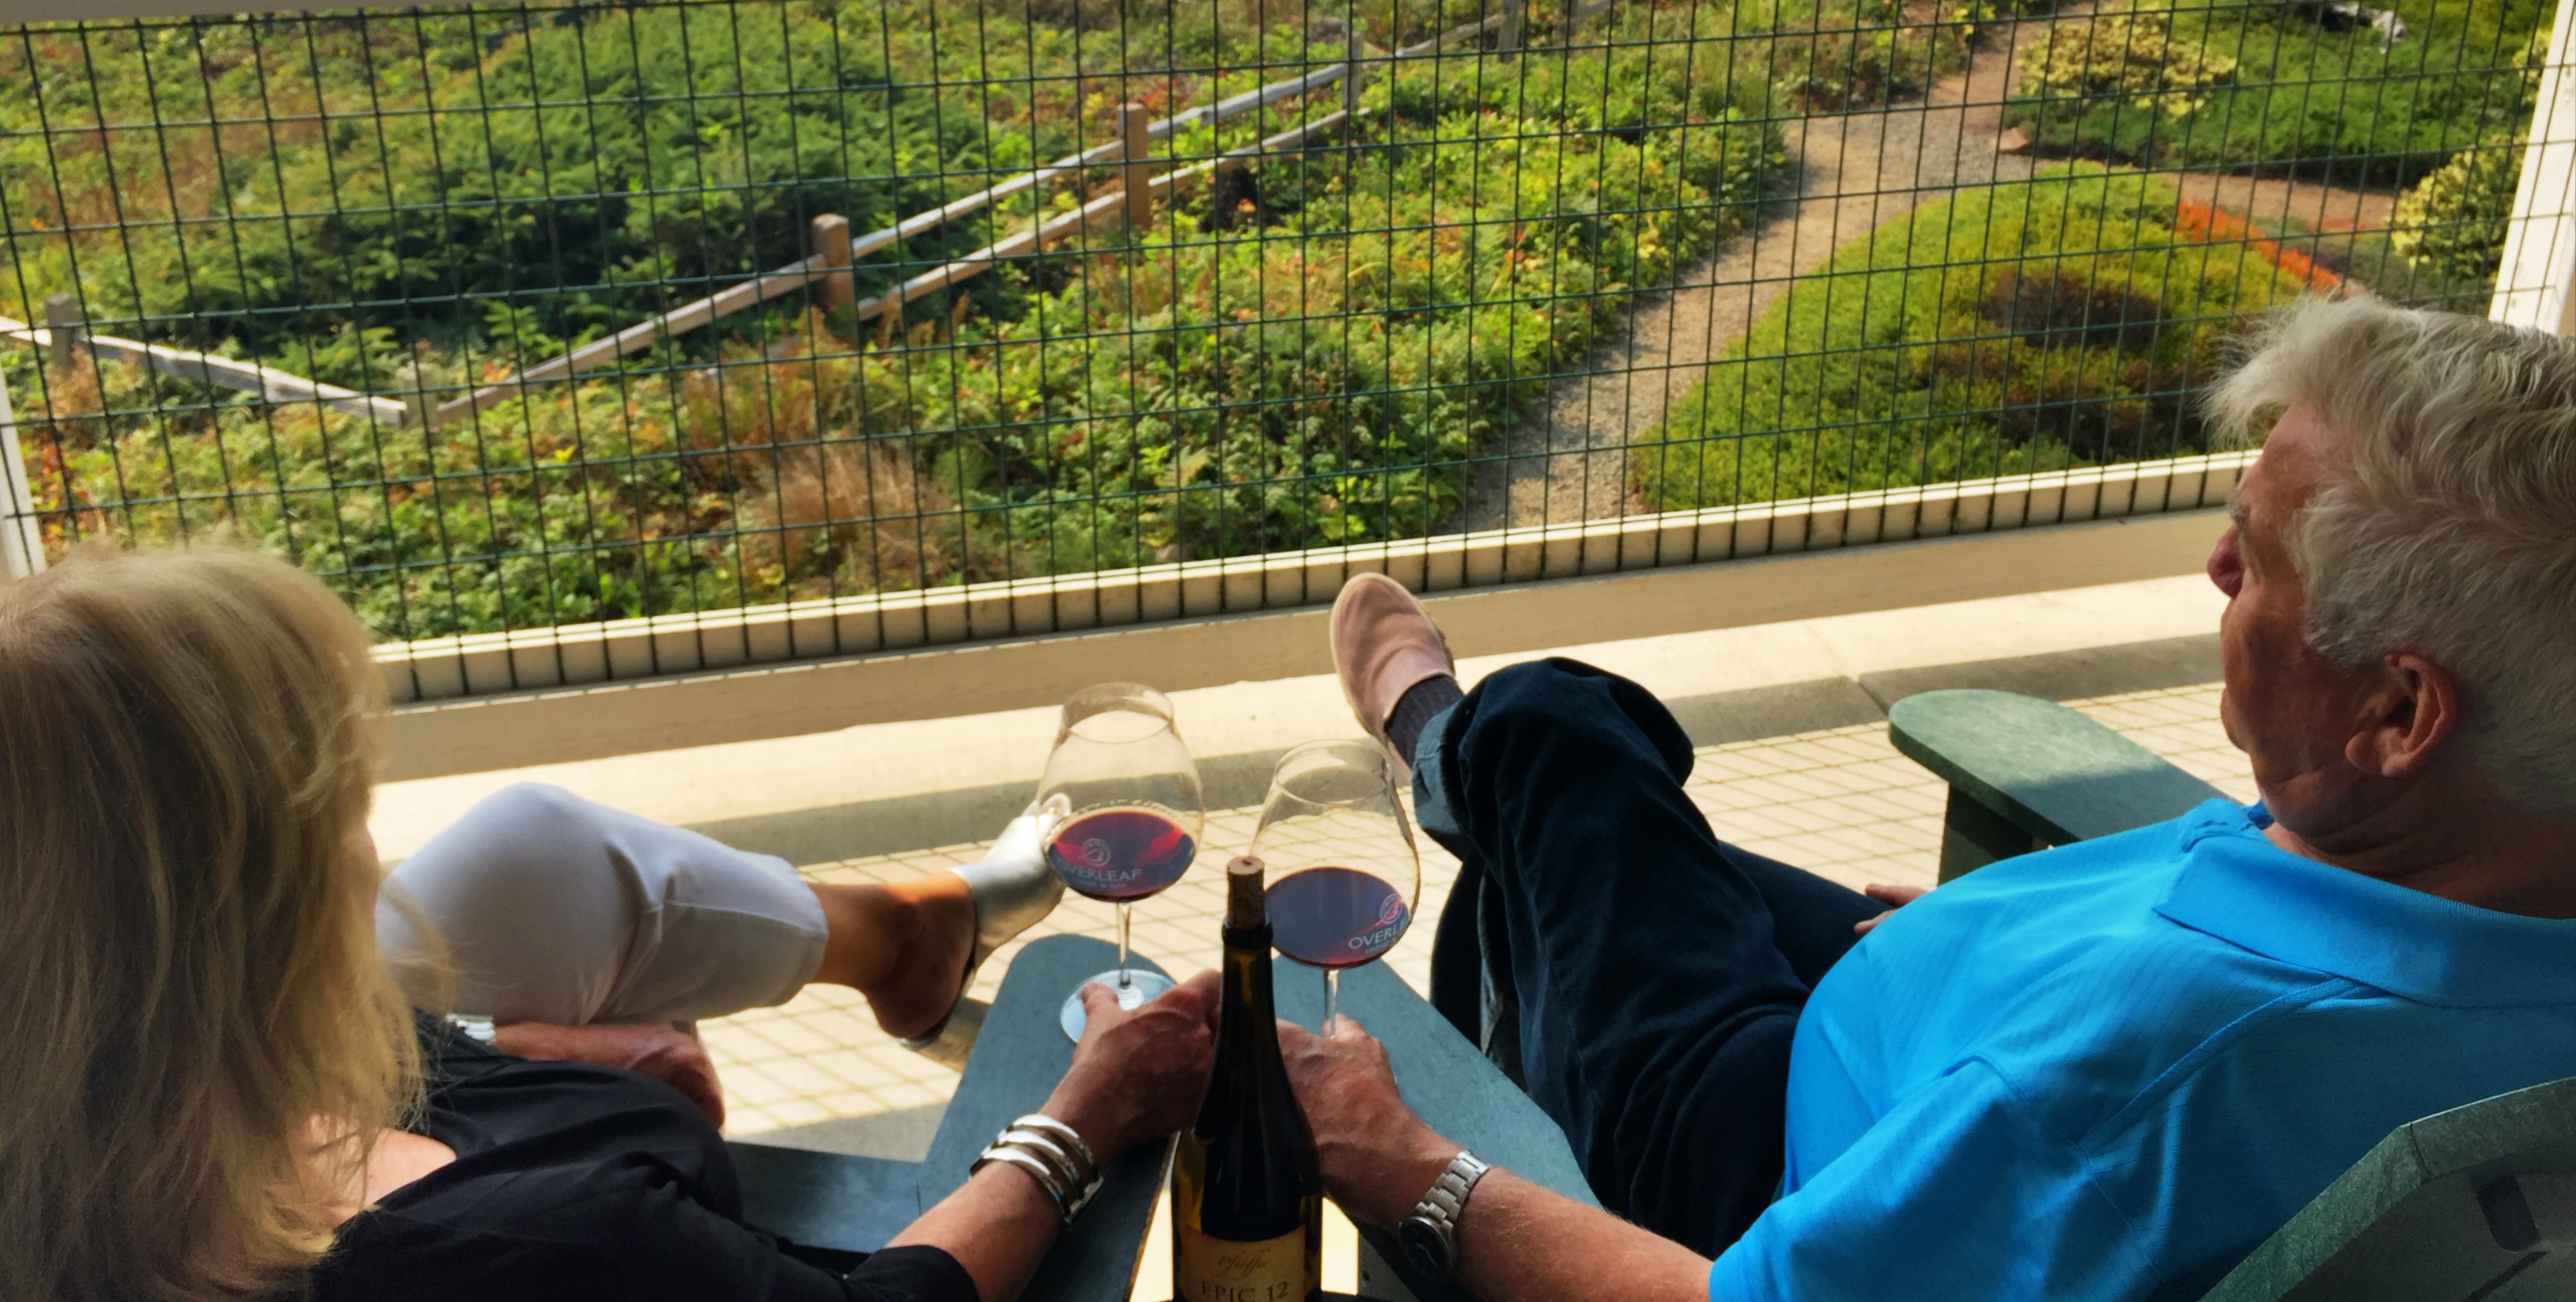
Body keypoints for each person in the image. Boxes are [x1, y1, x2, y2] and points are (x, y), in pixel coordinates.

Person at [1288, 295, 2576, 1302]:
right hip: (1943, 1049)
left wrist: (1393, 1151)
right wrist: (2004, 965)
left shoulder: (2133, 1086)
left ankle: (1450, 742)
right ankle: (1479, 782)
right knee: (1597, 838)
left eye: (2262, 554)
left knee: (1560, 735)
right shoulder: (2502, 869)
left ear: (2397, 714)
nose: (2216, 562)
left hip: (1765, 1163)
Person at [0, 546, 1215, 1302]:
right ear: (252, 922)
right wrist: (1079, 1116)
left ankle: (908, 934)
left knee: (532, 846)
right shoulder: (550, 1252)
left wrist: (519, 1059)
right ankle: (911, 939)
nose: (370, 852)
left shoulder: (100, 1112)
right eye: (341, 819)